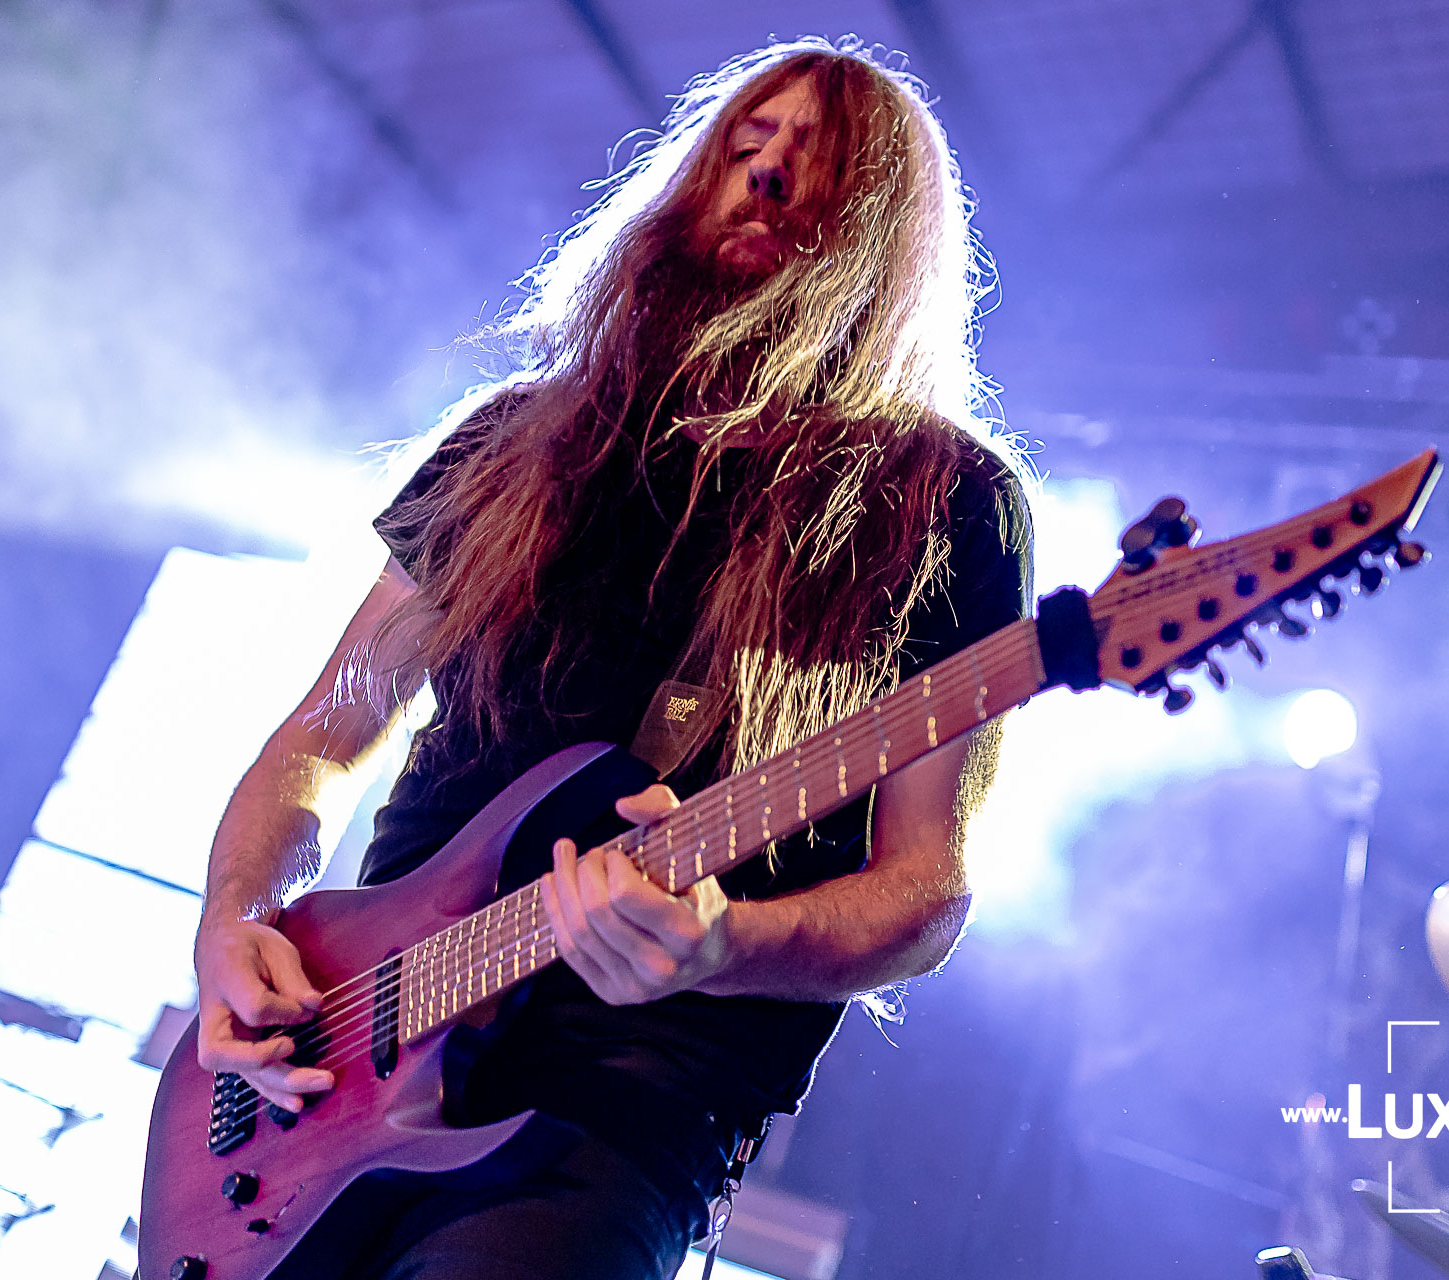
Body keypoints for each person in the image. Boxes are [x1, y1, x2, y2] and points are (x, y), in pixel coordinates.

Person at [191, 38, 1033, 1280]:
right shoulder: (515, 440)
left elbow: (924, 887)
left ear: (880, 228)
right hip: (343, 1059)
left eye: (813, 161)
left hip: (624, 1104)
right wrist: (234, 917)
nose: (765, 176)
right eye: (743, 145)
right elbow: (328, 730)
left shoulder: (939, 500)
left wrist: (730, 942)